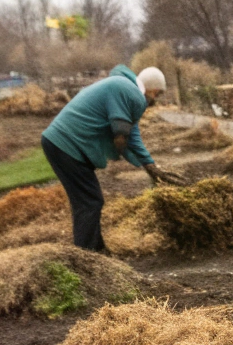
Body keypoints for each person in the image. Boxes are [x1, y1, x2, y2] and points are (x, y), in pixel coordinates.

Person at [40, 65, 172, 252]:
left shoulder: (124, 89)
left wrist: (149, 164)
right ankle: (87, 255)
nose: (154, 100)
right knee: (90, 202)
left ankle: (96, 249)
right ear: (154, 89)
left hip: (59, 143)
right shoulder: (130, 92)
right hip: (67, 145)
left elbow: (130, 134)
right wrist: (120, 137)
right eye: (157, 95)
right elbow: (122, 130)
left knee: (85, 202)